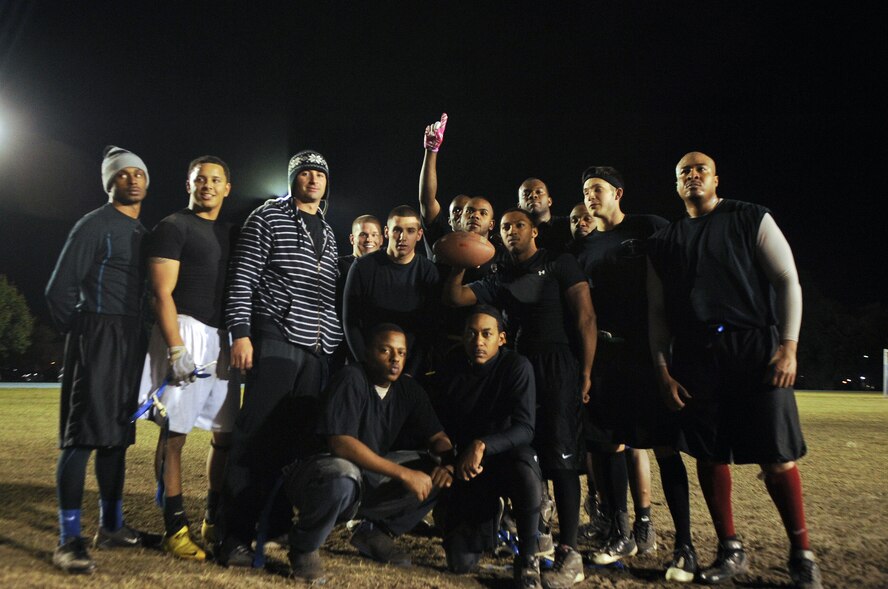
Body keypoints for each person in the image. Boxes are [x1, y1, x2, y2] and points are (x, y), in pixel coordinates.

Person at [647, 152, 822, 589]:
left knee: (776, 456)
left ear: (716, 178)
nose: (691, 175)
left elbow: (787, 280)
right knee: (708, 453)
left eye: (699, 169)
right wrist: (663, 369)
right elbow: (656, 312)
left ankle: (801, 554)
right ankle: (730, 549)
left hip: (755, 346)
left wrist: (788, 347)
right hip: (696, 352)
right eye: (683, 171)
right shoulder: (665, 241)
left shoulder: (750, 217)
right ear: (676, 185)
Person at [443, 207, 597, 589]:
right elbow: (456, 297)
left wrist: (586, 371)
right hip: (521, 366)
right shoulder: (499, 274)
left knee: (562, 460)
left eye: (520, 225)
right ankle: (537, 537)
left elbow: (585, 317)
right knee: (530, 450)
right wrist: (460, 261)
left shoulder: (559, 263)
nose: (512, 231)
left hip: (558, 364)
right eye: (507, 226)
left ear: (535, 232)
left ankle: (569, 552)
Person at [569, 167, 694, 581]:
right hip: (608, 356)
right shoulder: (586, 247)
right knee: (609, 446)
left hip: (648, 354)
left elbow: (679, 275)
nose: (590, 197)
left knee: (663, 447)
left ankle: (685, 544)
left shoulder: (649, 228)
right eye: (586, 191)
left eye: (597, 190)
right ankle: (620, 532)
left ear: (618, 193)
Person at [219, 150, 342, 566]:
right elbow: (243, 277)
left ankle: (270, 524)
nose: (312, 179)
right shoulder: (267, 217)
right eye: (304, 173)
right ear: (292, 179)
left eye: (319, 174)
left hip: (317, 348)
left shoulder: (328, 230)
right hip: (275, 337)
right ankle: (232, 533)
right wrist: (241, 333)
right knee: (254, 436)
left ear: (327, 183)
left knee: (291, 445)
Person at [45, 146, 153, 574]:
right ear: (109, 182)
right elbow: (58, 291)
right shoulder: (93, 225)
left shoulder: (143, 231)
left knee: (116, 436)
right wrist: (85, 331)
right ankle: (68, 539)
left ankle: (111, 527)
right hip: (98, 335)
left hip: (130, 338)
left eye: (138, 172)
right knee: (82, 438)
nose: (132, 179)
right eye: (122, 174)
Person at [284, 324, 454, 581]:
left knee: (437, 472)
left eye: (401, 352)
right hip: (320, 473)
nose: (395, 358)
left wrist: (449, 462)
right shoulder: (351, 378)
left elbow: (438, 437)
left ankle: (374, 532)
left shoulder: (408, 390)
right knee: (344, 473)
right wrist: (403, 474)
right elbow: (340, 444)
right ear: (367, 352)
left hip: (363, 476)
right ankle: (304, 547)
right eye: (385, 350)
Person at [136, 155, 239, 560]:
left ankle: (212, 518)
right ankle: (174, 528)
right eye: (200, 179)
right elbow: (161, 293)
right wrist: (175, 346)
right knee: (174, 435)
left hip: (220, 338)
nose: (208, 185)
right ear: (188, 184)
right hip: (186, 330)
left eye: (216, 179)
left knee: (224, 434)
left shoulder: (230, 232)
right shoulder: (173, 226)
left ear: (227, 188)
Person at [431, 306, 544, 588]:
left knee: (526, 469)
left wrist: (483, 444)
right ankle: (484, 519)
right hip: (467, 466)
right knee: (460, 564)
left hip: (504, 458)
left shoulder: (517, 366)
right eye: (471, 333)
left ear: (501, 339)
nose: (478, 341)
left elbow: (525, 428)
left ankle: (529, 558)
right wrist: (447, 458)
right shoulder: (451, 365)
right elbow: (438, 423)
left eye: (486, 334)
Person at [343, 205, 441, 379]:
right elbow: (350, 322)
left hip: (409, 369)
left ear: (419, 235)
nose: (403, 237)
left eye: (410, 231)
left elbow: (428, 328)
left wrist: (411, 372)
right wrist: (365, 366)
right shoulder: (363, 267)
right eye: (397, 230)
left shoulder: (428, 271)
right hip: (366, 365)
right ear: (387, 232)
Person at [418, 112, 470, 257]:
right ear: (449, 221)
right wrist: (431, 150)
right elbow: (427, 201)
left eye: (468, 210)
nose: (461, 213)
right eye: (456, 210)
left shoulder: (490, 247)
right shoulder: (442, 235)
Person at [518, 178, 571, 254]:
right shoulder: (514, 234)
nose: (533, 195)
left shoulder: (568, 225)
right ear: (519, 207)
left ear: (549, 201)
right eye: (526, 194)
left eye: (539, 192)